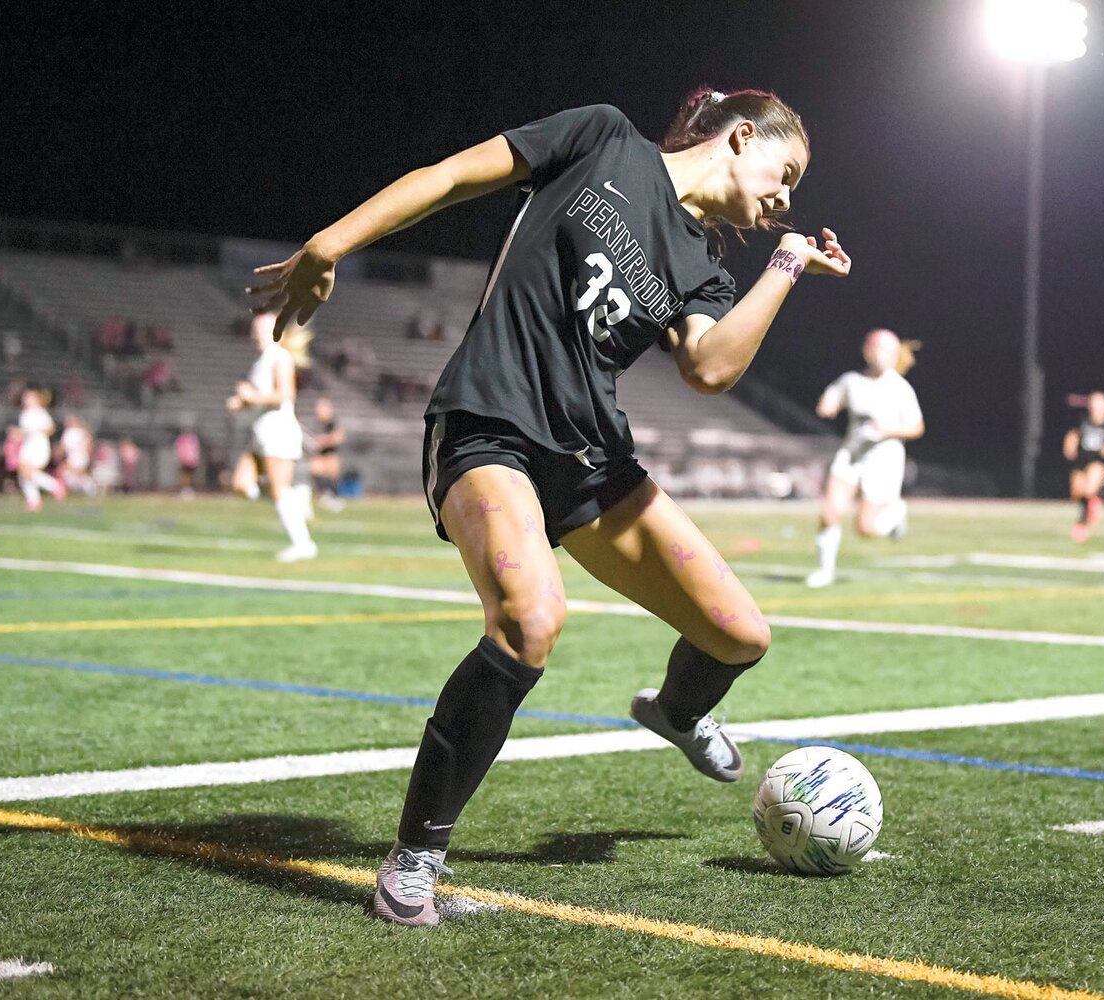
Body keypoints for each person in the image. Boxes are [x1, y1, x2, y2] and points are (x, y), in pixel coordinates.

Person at [250, 89, 847, 926]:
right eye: (785, 173)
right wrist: (332, 241)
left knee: (741, 634)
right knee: (531, 620)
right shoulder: (603, 138)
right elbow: (453, 177)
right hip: (488, 426)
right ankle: (414, 858)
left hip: (591, 463)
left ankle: (674, 711)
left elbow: (711, 369)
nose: (786, 196)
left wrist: (785, 265)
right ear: (740, 136)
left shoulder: (704, 265)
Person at [805, 328, 924, 587]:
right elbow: (832, 397)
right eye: (881, 349)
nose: (885, 356)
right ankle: (825, 571)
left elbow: (917, 427)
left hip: (884, 461)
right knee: (829, 512)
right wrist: (828, 404)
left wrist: (888, 429)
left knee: (866, 529)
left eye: (891, 351)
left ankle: (896, 513)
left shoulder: (899, 388)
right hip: (851, 454)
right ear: (867, 351)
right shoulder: (852, 380)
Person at [227, 314, 318, 561]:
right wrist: (242, 402)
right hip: (261, 431)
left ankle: (303, 544)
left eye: (259, 329)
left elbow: (286, 394)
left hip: (278, 430)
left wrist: (251, 397)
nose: (253, 334)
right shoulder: (262, 360)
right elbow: (261, 396)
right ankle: (293, 501)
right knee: (241, 484)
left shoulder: (280, 357)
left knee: (278, 489)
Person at [1063, 391, 1104, 542]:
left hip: (1098, 462)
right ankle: (1095, 500)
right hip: (1081, 461)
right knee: (1077, 493)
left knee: (1090, 487)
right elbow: (1073, 435)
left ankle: (1081, 524)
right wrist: (1069, 446)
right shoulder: (1083, 421)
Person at [15, 389, 65, 511]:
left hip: (38, 445)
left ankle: (54, 485)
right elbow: (24, 432)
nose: (25, 400)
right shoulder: (25, 414)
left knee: (29, 472)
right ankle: (34, 500)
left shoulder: (40, 413)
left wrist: (36, 431)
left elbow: (50, 428)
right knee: (23, 473)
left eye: (28, 398)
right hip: (28, 445)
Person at [308, 397, 347, 511]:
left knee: (323, 468)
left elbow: (338, 437)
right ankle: (324, 495)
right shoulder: (317, 423)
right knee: (313, 467)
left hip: (330, 456)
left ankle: (334, 497)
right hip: (320, 456)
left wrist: (323, 441)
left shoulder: (332, 422)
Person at [59, 414, 96, 496]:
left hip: (80, 456)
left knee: (76, 473)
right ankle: (89, 489)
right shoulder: (67, 433)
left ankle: (91, 489)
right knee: (71, 474)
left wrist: (88, 454)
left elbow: (89, 444)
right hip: (72, 457)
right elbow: (63, 447)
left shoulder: (81, 432)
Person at [175, 427, 202, 498]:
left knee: (191, 476)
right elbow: (179, 450)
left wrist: (196, 458)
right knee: (184, 476)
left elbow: (196, 450)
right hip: (184, 460)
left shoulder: (193, 439)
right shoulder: (181, 439)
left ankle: (189, 489)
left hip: (191, 460)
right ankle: (184, 489)